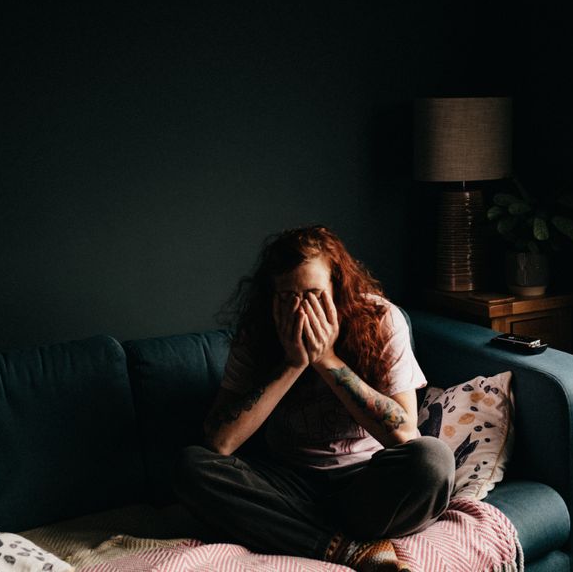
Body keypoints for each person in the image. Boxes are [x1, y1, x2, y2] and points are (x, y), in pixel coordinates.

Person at [172, 225, 455, 572]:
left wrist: (327, 360)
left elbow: (403, 434)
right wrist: (294, 363)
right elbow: (220, 443)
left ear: (337, 289)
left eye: (314, 294)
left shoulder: (381, 319)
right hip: (286, 483)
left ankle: (299, 533)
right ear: (271, 297)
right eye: (288, 297)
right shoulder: (257, 332)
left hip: (367, 483)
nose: (302, 310)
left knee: (433, 460)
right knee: (190, 466)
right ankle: (344, 548)